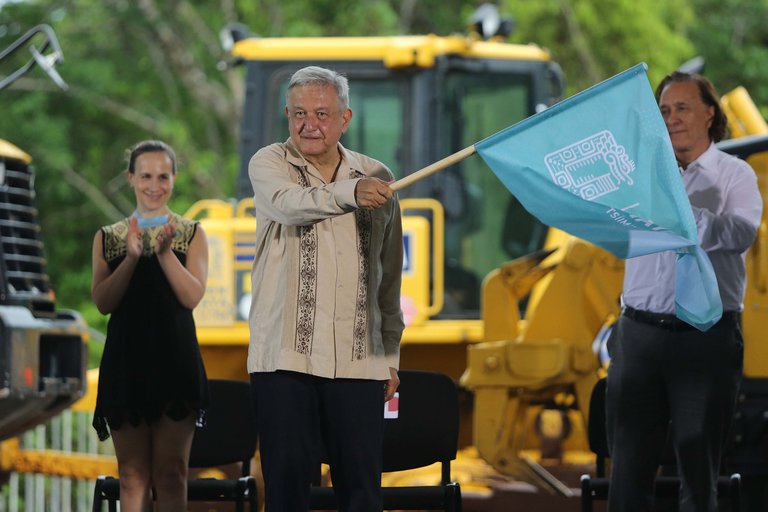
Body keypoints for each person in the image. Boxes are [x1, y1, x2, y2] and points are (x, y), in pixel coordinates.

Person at [247, 66, 404, 511]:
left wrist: (390, 355)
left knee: (362, 495)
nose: (308, 125)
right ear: (286, 114)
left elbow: (389, 278)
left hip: (360, 362)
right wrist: (351, 193)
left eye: (321, 113)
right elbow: (288, 206)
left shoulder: (378, 174)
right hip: (284, 361)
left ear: (345, 118)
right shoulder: (269, 163)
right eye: (298, 113)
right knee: (287, 493)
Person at [605, 72, 763, 511]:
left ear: (711, 113)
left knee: (698, 472)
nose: (671, 118)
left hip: (705, 337)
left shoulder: (737, 176)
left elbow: (740, 234)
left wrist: (682, 213)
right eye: (664, 110)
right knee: (628, 472)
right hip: (637, 335)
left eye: (682, 107)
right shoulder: (637, 178)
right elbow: (614, 235)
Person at [91, 140, 209, 512]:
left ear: (173, 180)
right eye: (145, 176)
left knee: (172, 472)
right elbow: (103, 302)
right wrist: (131, 258)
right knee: (132, 474)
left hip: (175, 364)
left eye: (162, 176)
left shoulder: (191, 234)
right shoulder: (109, 237)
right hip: (126, 364)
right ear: (131, 179)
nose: (154, 185)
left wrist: (163, 255)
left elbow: (191, 297)